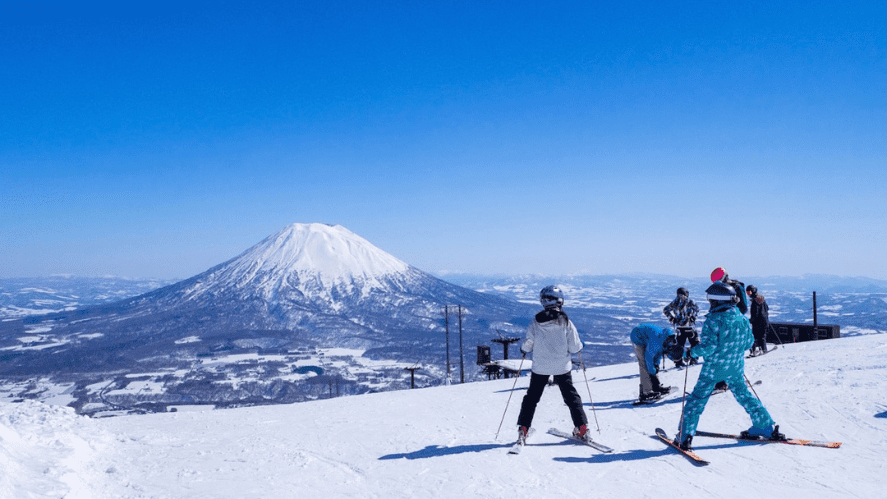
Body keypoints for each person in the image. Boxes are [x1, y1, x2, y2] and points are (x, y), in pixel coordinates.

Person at [673, 280, 784, 450]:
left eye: (710, 300)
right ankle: (764, 426)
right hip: (735, 366)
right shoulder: (741, 318)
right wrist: (732, 350)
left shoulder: (714, 320)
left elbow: (708, 348)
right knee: (744, 395)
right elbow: (749, 343)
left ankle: (685, 436)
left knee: (697, 401)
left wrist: (691, 352)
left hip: (713, 369)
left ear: (717, 301)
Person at [516, 286, 590, 445]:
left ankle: (523, 429)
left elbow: (528, 344)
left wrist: (524, 349)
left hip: (540, 367)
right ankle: (582, 428)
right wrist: (580, 345)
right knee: (571, 397)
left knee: (531, 398)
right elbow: (575, 347)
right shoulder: (566, 321)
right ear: (560, 301)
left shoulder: (536, 321)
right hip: (562, 367)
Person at [629, 323, 683, 402]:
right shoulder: (656, 341)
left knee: (653, 366)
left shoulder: (664, 340)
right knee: (644, 364)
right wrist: (652, 371)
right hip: (637, 338)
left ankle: (655, 386)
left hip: (646, 338)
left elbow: (658, 355)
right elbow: (649, 358)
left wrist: (656, 365)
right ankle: (646, 392)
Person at [662, 287, 700, 367]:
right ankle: (693, 359)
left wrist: (672, 319)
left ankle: (678, 361)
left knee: (680, 345)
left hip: (680, 327)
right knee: (694, 343)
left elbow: (666, 310)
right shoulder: (690, 301)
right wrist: (693, 316)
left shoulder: (675, 302)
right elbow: (697, 309)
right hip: (690, 327)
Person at [747, 285, 770, 355]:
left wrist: (751, 320)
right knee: (762, 336)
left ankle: (754, 351)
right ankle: (763, 349)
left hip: (757, 322)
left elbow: (755, 313)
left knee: (754, 336)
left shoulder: (755, 301)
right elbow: (767, 308)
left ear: (753, 291)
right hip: (765, 320)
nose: (748, 294)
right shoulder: (762, 299)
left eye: (749, 292)